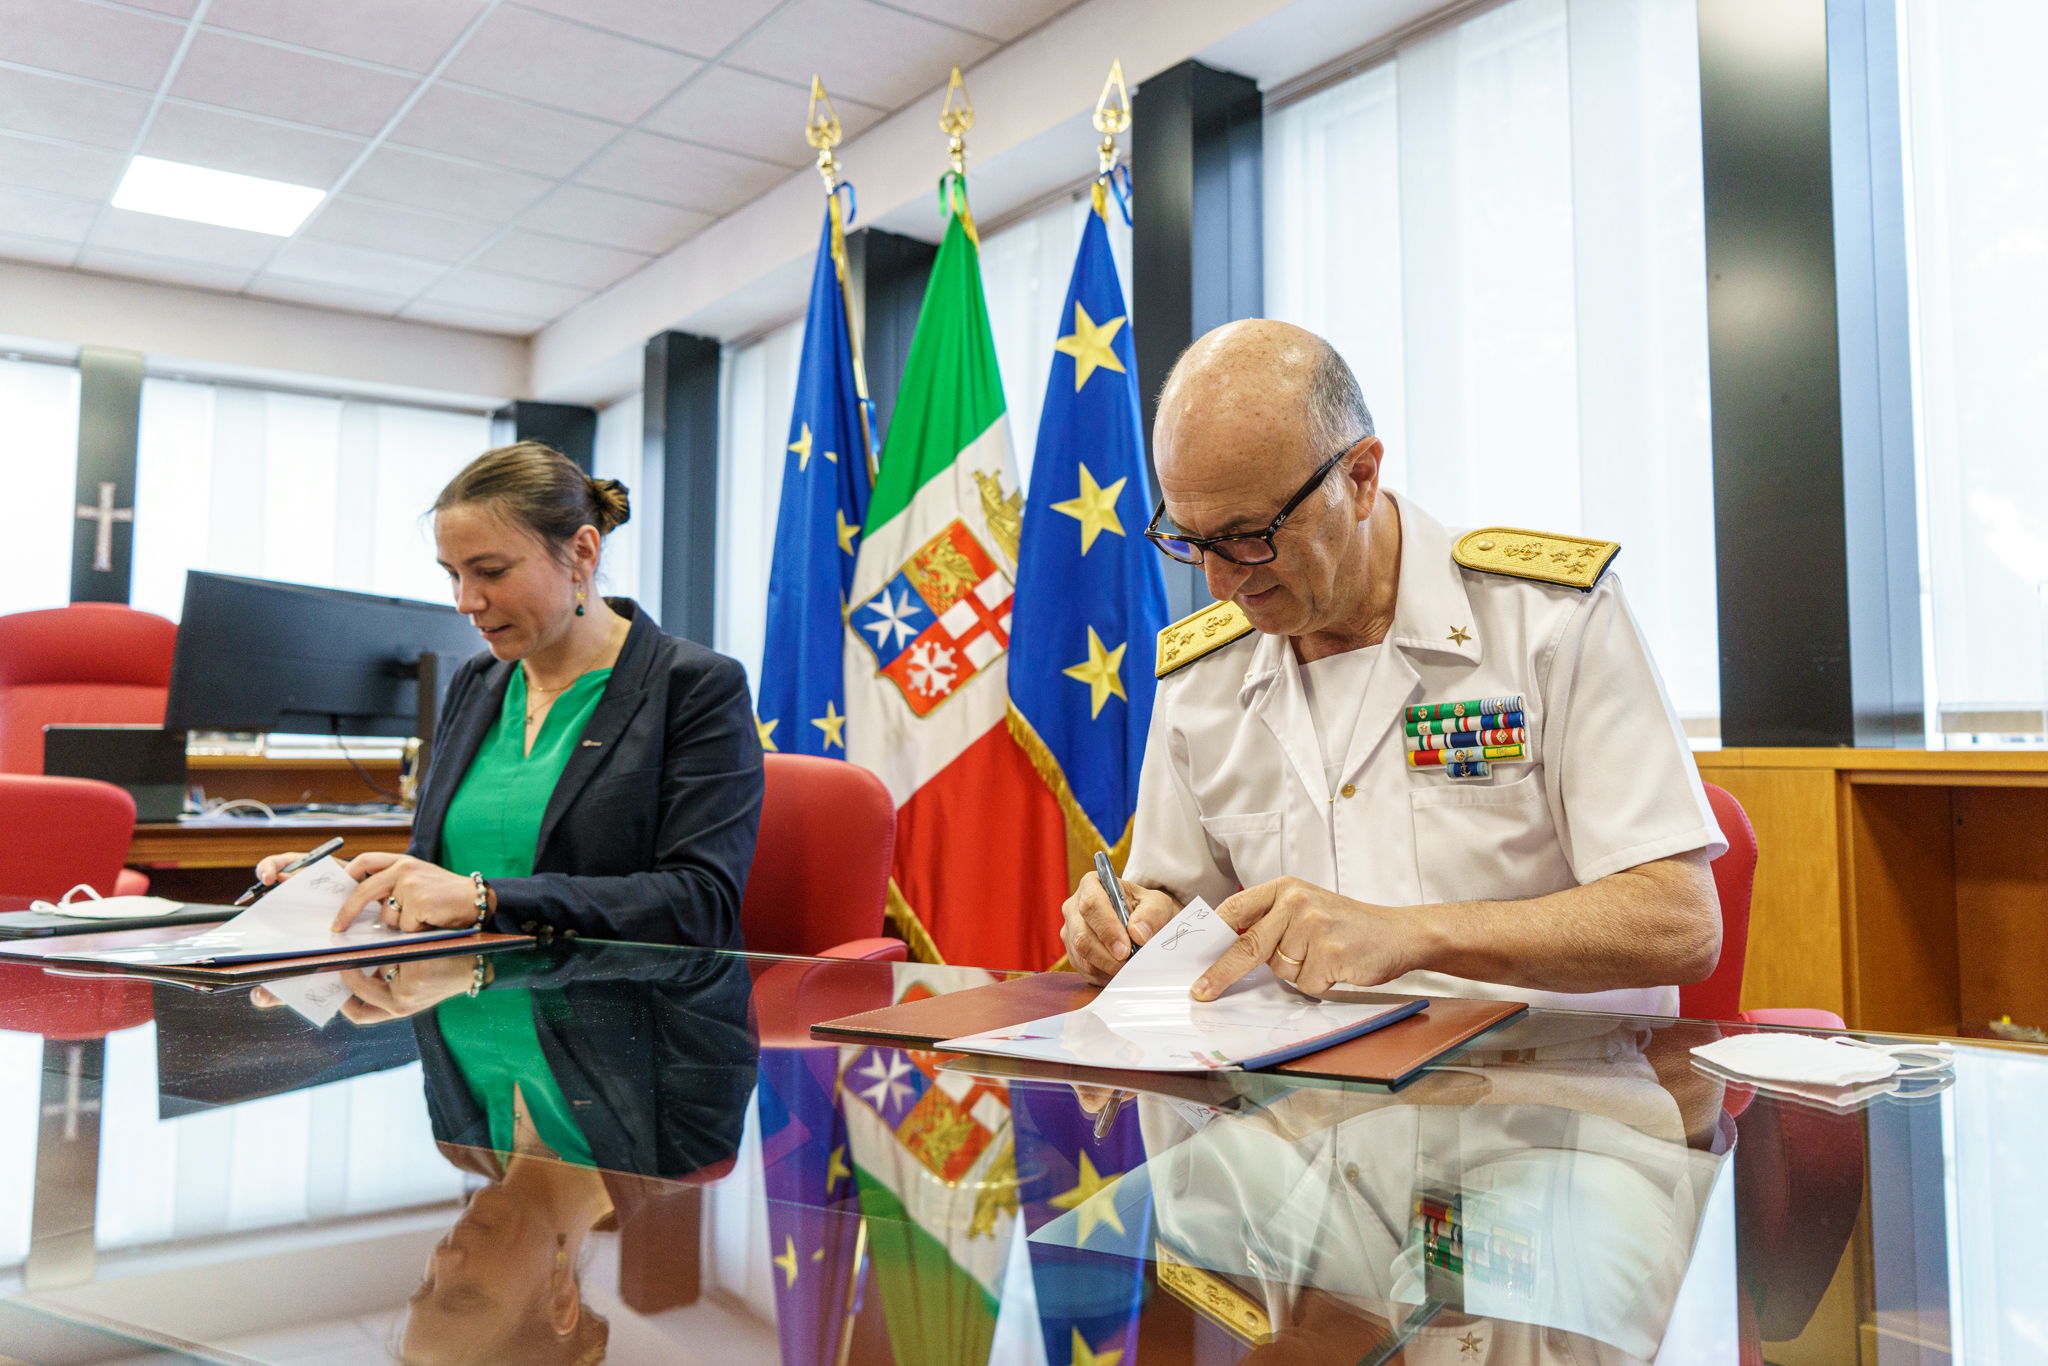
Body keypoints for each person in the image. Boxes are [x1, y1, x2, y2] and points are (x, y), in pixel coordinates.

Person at [1060, 321, 1725, 1015]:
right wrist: (1129, 922)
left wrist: (1413, 934)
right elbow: (1175, 905)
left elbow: (1679, 922)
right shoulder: (1200, 676)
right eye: (1192, 543)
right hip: (1296, 1103)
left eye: (1249, 537)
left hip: (1552, 1098)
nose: (1222, 582)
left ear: (1360, 478)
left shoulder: (1547, 622)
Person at [256, 441, 764, 946]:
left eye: (491, 572)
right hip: (449, 1001)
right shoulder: (477, 682)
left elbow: (701, 904)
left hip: (613, 1013)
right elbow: (444, 874)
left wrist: (489, 899)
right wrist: (347, 887)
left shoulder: (694, 686)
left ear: (582, 552)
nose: (464, 602)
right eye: (452, 574)